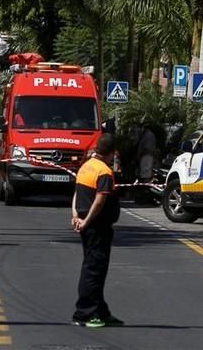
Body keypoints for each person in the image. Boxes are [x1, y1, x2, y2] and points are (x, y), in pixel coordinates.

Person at [71, 133, 123, 328]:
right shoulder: (104, 172)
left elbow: (77, 193)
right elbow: (100, 200)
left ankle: (101, 311)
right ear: (112, 153)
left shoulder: (85, 167)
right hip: (97, 226)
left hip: (86, 223)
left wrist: (76, 215)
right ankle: (85, 313)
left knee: (95, 268)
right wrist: (87, 221)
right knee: (94, 270)